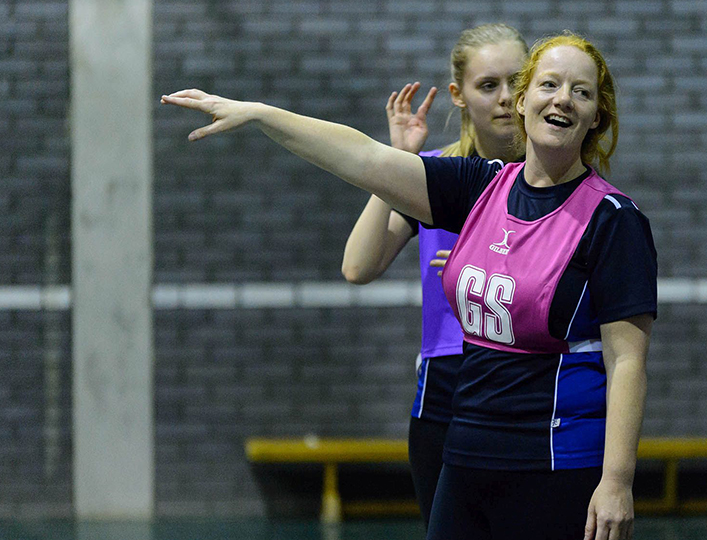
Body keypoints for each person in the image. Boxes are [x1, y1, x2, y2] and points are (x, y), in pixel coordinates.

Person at [162, 30, 656, 540]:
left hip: (557, 459)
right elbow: (366, 159)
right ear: (525, 99)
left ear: (597, 115)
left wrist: (616, 480)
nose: (562, 99)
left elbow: (627, 360)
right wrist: (262, 113)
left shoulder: (612, 219)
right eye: (550, 84)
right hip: (465, 454)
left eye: (581, 91)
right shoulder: (479, 186)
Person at [340, 23, 527, 528]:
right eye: (488, 85)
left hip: (527, 378)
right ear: (459, 96)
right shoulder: (433, 176)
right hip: (447, 380)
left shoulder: (551, 175)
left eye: (518, 81)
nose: (507, 98)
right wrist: (395, 164)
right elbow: (358, 266)